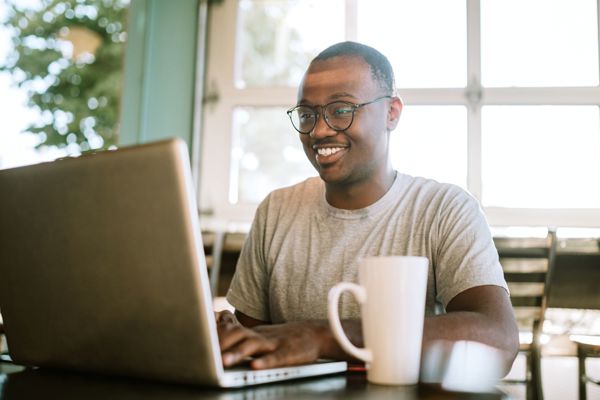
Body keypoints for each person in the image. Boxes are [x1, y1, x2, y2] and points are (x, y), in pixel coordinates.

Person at [216, 41, 519, 374]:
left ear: (392, 113)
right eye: (306, 114)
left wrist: (323, 336)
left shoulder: (444, 210)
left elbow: (498, 340)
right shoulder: (276, 211)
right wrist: (228, 337)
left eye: (341, 110)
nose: (319, 130)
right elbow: (254, 344)